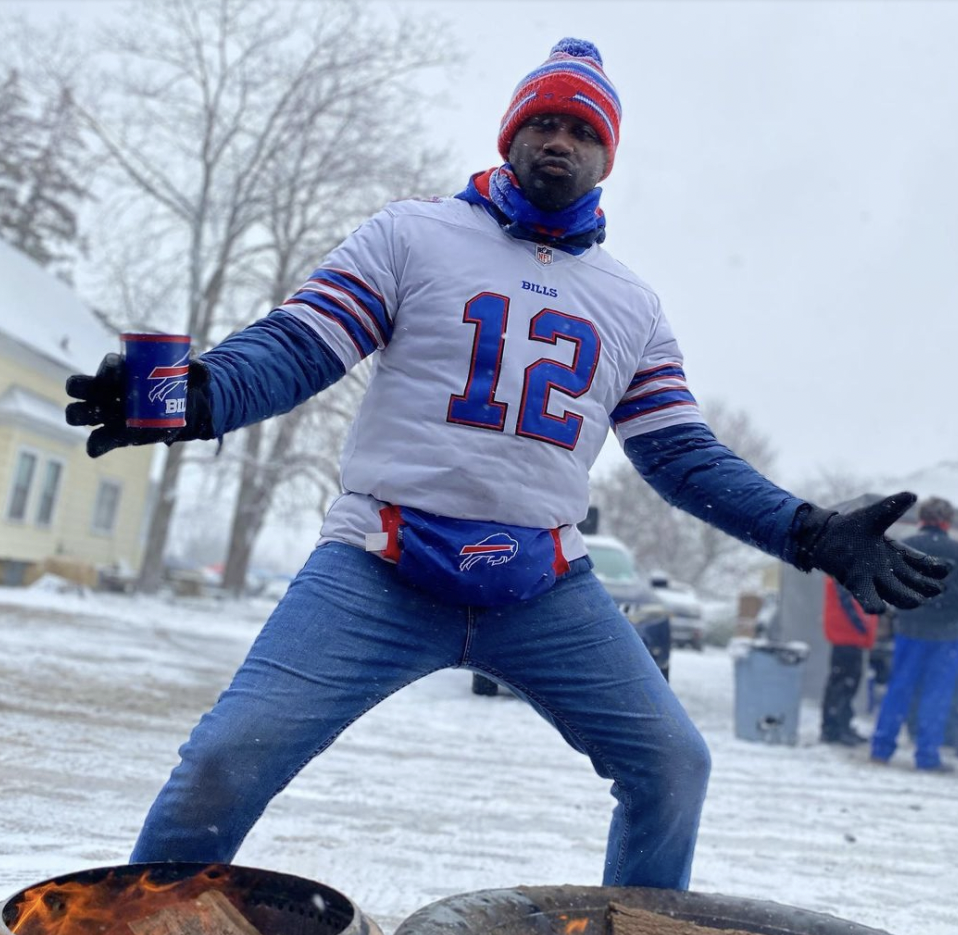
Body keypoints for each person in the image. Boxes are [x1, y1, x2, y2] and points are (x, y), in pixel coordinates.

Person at [65, 39, 949, 890]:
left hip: (542, 586)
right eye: (545, 122)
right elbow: (300, 346)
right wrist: (195, 396)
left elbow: (681, 455)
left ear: (609, 157)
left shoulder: (632, 304)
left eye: (585, 130)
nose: (561, 140)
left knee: (674, 766)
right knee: (225, 757)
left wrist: (810, 531)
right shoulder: (413, 235)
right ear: (511, 134)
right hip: (381, 565)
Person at [871, 496, 958, 772]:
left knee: (899, 688)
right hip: (946, 636)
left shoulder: (905, 546)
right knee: (937, 695)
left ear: (922, 519)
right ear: (947, 521)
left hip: (909, 630)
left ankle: (881, 749)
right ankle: (927, 755)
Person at [819, 576, 878, 746]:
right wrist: (863, 625)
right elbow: (848, 602)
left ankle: (837, 725)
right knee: (844, 684)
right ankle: (836, 728)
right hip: (848, 635)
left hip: (847, 635)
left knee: (842, 683)